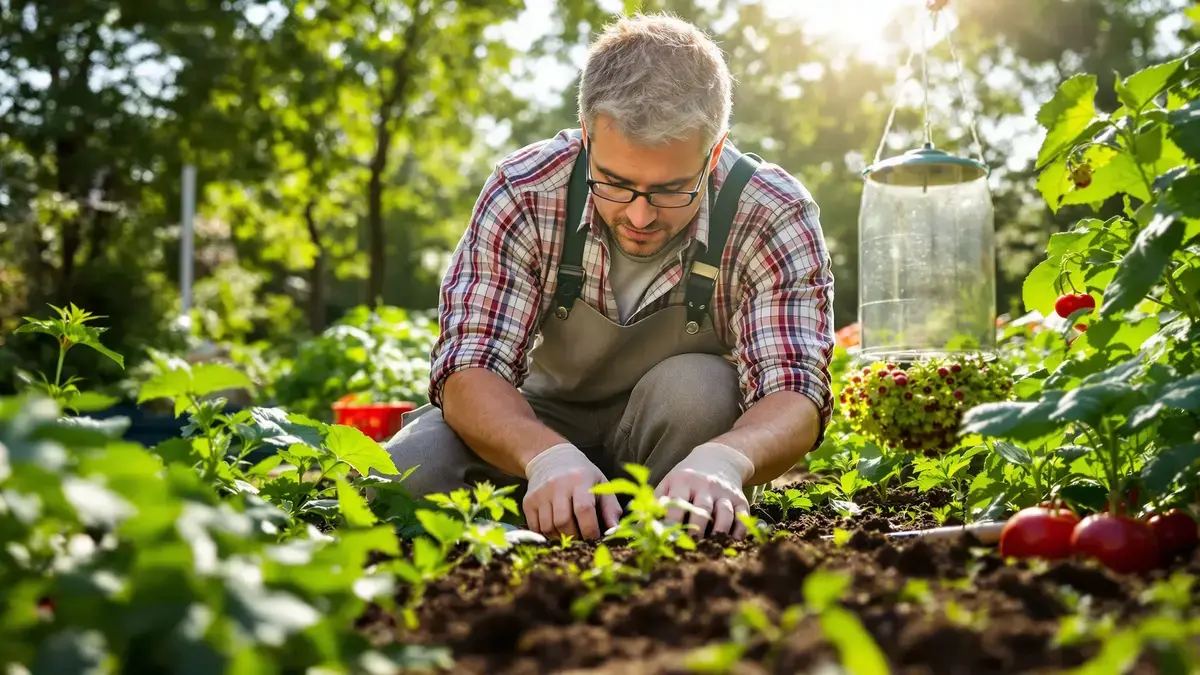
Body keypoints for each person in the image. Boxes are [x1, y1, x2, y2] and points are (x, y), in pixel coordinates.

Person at [381, 12, 835, 541]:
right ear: (587, 138)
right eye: (615, 183)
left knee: (702, 392)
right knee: (412, 469)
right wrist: (544, 457)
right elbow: (469, 368)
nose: (640, 217)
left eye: (671, 190)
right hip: (537, 422)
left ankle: (673, 542)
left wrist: (728, 459)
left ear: (713, 153)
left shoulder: (770, 212)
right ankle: (520, 543)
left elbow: (796, 388)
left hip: (676, 440)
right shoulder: (525, 191)